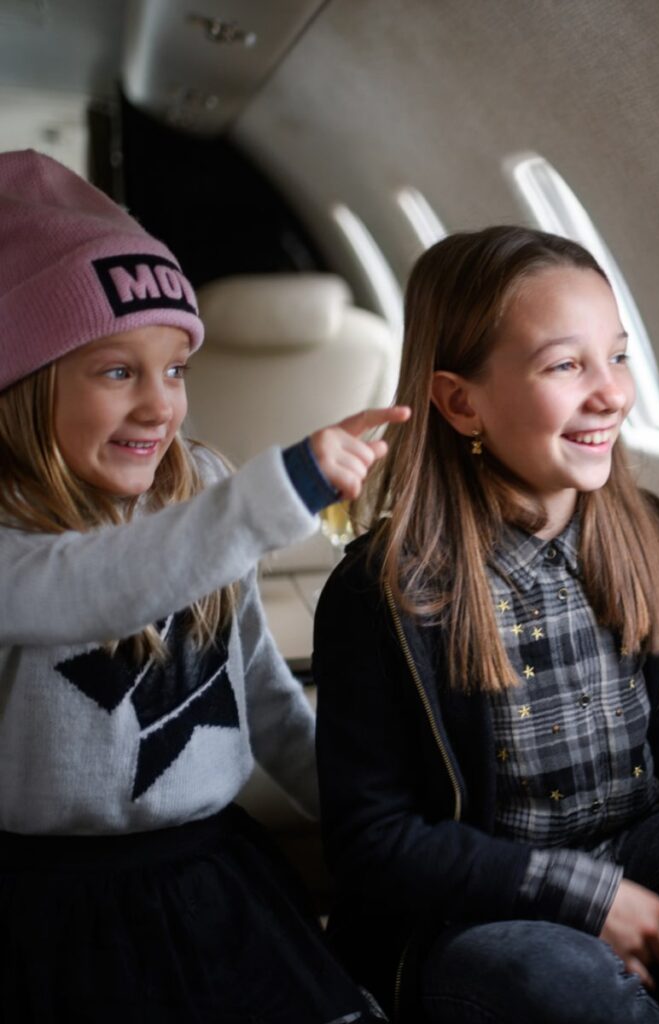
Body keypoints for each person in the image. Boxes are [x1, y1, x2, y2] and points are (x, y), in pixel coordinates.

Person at [313, 225, 659, 1024]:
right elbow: (375, 845)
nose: (612, 392)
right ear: (460, 401)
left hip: (635, 852)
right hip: (472, 918)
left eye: (616, 355)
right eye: (565, 365)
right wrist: (582, 896)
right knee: (567, 980)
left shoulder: (646, 534)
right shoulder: (381, 593)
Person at [0, 149, 407, 1023]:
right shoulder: (14, 536)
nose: (160, 406)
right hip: (49, 912)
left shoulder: (203, 483)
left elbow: (258, 690)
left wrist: (363, 822)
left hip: (213, 877)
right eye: (118, 371)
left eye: (176, 369)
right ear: (24, 386)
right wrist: (280, 489)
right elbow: (99, 588)